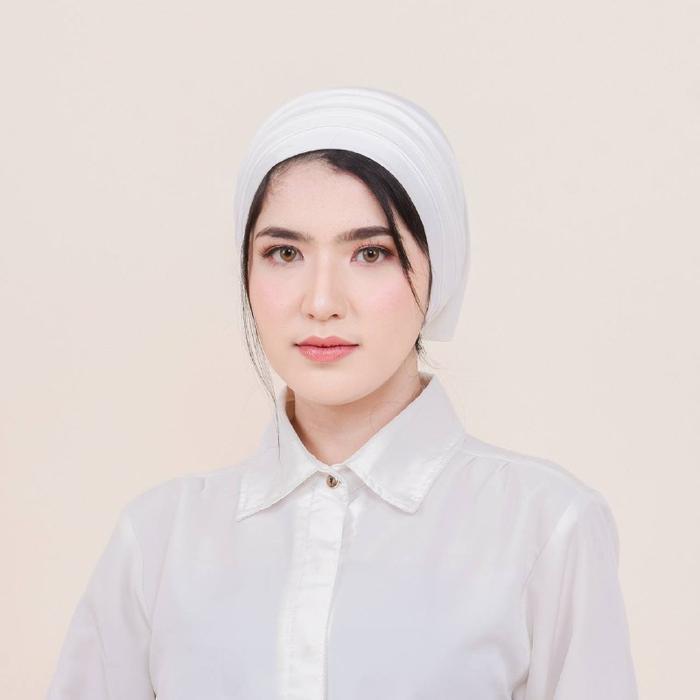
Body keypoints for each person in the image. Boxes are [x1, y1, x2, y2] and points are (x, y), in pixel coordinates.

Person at [46, 87, 639, 699]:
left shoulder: (545, 527)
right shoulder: (157, 542)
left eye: (370, 253)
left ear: (440, 268)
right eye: (284, 253)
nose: (322, 302)